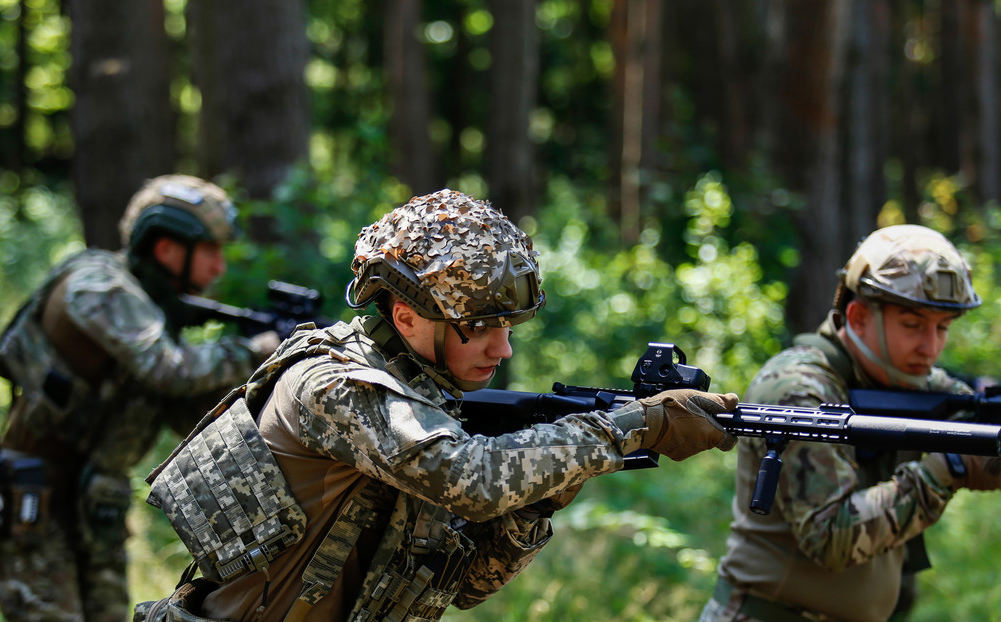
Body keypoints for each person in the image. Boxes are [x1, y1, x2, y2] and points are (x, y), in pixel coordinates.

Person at [134, 188, 741, 622]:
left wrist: (537, 503)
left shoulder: (430, 406)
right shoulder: (332, 385)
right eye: (482, 326)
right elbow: (468, 478)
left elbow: (470, 586)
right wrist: (632, 427)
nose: (502, 348)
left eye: (510, 326)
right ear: (407, 316)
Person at [699, 224, 1001, 622]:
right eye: (913, 325)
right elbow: (831, 537)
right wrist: (950, 469)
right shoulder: (797, 389)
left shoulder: (918, 383)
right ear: (858, 317)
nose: (930, 347)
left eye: (942, 328)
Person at [0, 175, 281, 622]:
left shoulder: (153, 313)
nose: (220, 268)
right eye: (211, 251)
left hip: (95, 507)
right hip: (35, 500)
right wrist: (253, 349)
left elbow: (189, 415)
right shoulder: (100, 285)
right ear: (166, 249)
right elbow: (166, 368)